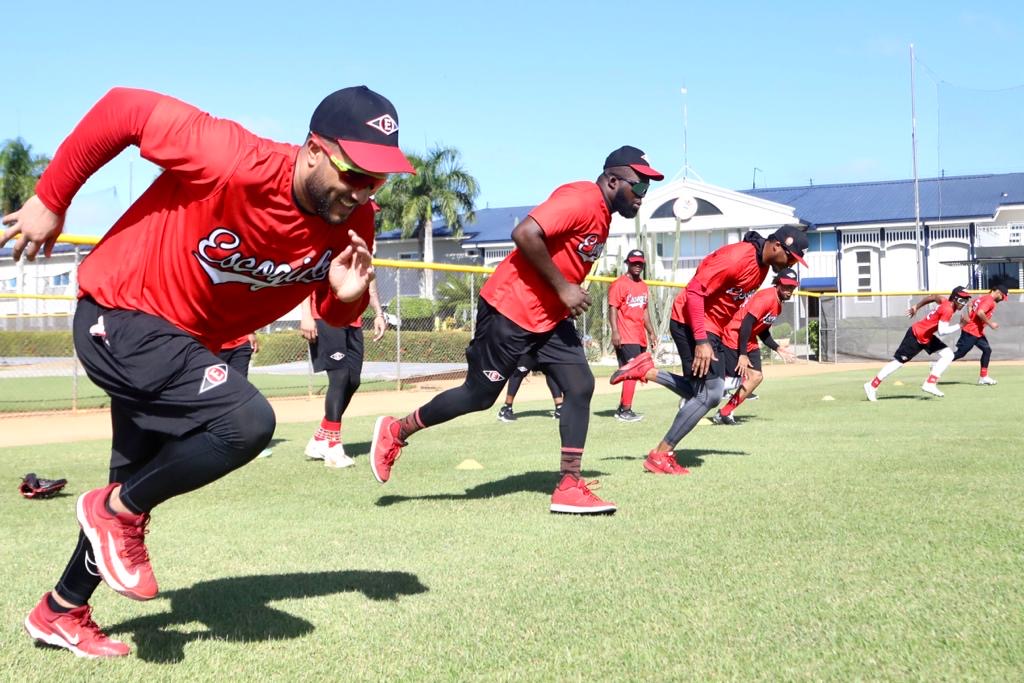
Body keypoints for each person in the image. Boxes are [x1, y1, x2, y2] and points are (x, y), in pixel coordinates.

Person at [2, 85, 412, 658]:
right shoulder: (232, 157)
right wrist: (52, 197)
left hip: (184, 345)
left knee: (134, 481)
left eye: (379, 179)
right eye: (355, 173)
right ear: (315, 150)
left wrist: (345, 300)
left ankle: (60, 610)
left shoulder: (353, 223)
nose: (364, 191)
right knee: (245, 422)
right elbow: (125, 108)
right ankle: (114, 511)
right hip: (121, 314)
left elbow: (332, 310)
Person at [369, 146, 664, 514]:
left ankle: (569, 484)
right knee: (478, 396)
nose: (642, 197)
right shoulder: (582, 198)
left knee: (580, 385)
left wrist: (562, 295)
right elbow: (524, 233)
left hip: (550, 319)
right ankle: (397, 431)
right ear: (613, 180)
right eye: (639, 187)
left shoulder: (603, 215)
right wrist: (564, 288)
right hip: (510, 311)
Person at [610, 225, 808, 475]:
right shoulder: (737, 257)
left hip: (711, 327)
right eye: (791, 256)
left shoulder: (762, 268)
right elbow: (694, 291)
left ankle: (646, 371)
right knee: (711, 394)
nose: (791, 262)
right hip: (690, 321)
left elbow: (727, 305)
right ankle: (660, 454)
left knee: (699, 392)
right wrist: (702, 340)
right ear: (777, 245)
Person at [302, 280, 387, 468]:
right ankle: (333, 448)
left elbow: (369, 282)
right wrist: (306, 315)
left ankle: (319, 439)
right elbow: (307, 281)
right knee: (339, 377)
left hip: (353, 320)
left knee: (353, 380)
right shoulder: (329, 251)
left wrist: (379, 314)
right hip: (325, 316)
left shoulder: (364, 252)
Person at [711, 268, 799, 425]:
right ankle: (694, 392)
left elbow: (762, 330)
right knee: (731, 381)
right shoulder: (766, 298)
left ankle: (724, 412)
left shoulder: (778, 305)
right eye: (786, 286)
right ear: (778, 283)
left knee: (756, 377)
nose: (789, 290)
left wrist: (777, 348)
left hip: (749, 340)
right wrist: (742, 354)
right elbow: (746, 324)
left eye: (792, 287)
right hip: (734, 337)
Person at [863, 286, 973, 401]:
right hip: (916, 336)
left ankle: (930, 383)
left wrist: (917, 306)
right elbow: (942, 331)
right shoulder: (948, 309)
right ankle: (871, 385)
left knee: (948, 355)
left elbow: (933, 297)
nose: (963, 303)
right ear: (954, 298)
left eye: (965, 300)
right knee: (898, 362)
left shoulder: (945, 302)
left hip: (927, 336)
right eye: (961, 300)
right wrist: (960, 326)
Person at [608, 249, 657, 422]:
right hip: (625, 335)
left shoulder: (643, 285)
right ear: (627, 263)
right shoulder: (619, 284)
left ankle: (623, 407)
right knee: (633, 372)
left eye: (640, 263)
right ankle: (625, 410)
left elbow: (644, 312)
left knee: (631, 373)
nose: (637, 266)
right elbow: (612, 308)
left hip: (639, 335)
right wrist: (615, 331)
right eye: (634, 262)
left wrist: (651, 332)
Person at [218, 333, 273, 457]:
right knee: (213, 393)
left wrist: (251, 332)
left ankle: (248, 445)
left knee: (240, 394)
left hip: (241, 343)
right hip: (213, 343)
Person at [952, 283, 1009, 385]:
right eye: (1002, 297)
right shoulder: (989, 301)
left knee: (987, 350)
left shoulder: (983, 298)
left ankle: (983, 377)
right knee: (961, 353)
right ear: (998, 293)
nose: (1001, 299)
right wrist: (991, 324)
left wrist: (970, 315)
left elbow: (970, 304)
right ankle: (938, 364)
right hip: (971, 331)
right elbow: (980, 312)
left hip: (977, 332)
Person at [497, 351, 564, 422]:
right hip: (529, 348)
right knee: (519, 372)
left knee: (551, 373)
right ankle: (506, 408)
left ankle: (559, 408)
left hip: (545, 349)